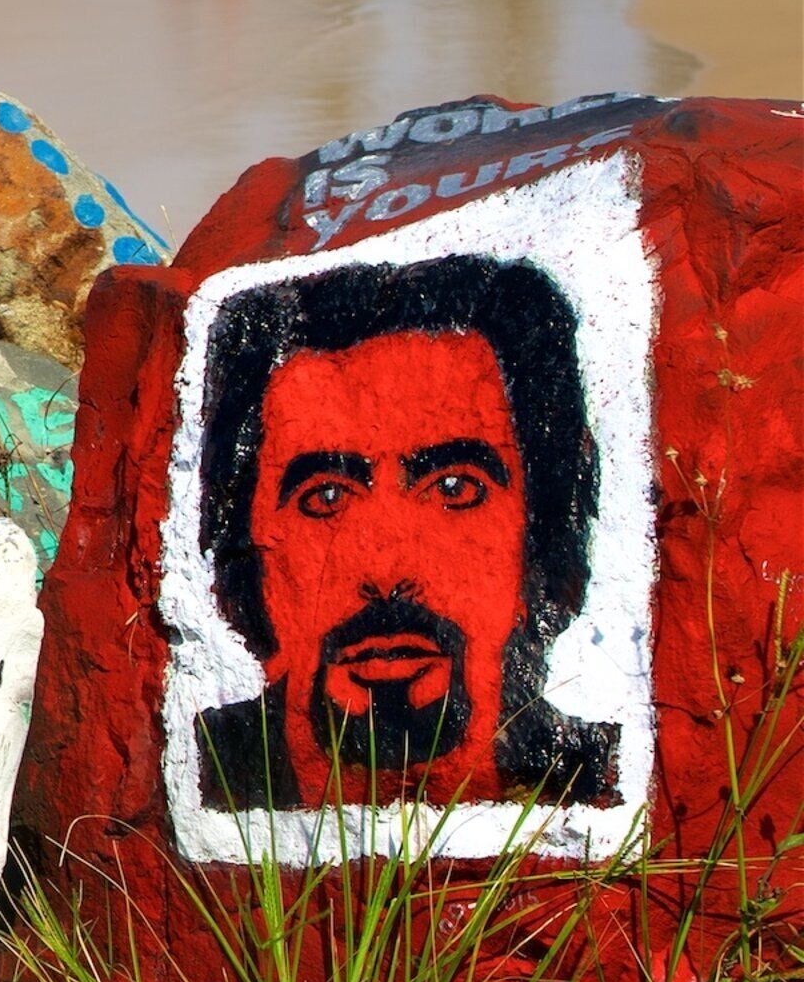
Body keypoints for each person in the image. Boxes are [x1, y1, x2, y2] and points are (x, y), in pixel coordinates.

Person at [186, 254, 619, 812]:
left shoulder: (593, 783)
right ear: (247, 551)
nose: (387, 571)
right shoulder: (209, 773)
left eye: (455, 489)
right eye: (327, 497)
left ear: (540, 533)